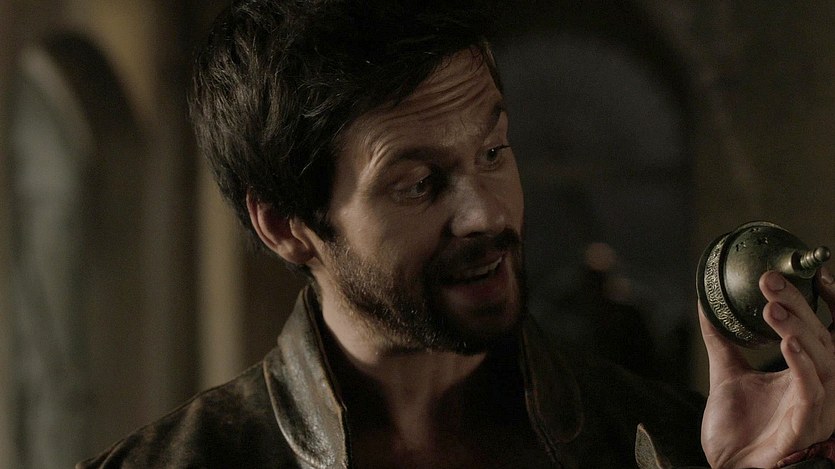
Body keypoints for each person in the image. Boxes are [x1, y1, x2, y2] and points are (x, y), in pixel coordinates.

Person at [78, 1, 835, 467]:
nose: (486, 214)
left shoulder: (666, 441)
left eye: (493, 152)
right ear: (287, 226)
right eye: (417, 182)